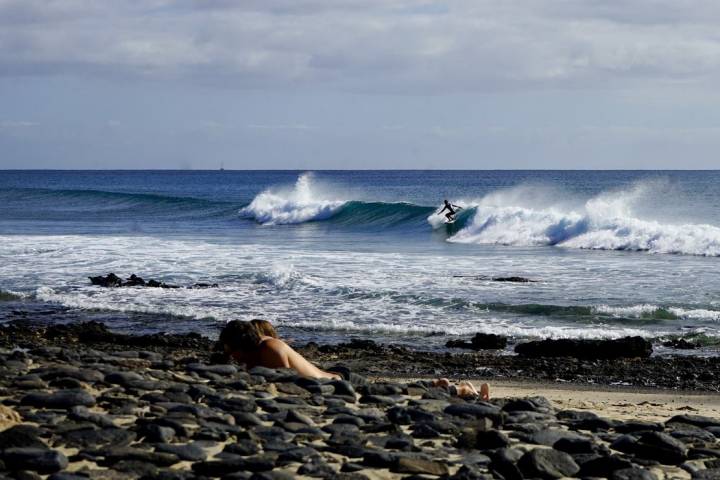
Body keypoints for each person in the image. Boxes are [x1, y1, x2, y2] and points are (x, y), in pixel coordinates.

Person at [219, 320, 490, 399]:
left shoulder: (270, 349)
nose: (230, 355)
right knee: (390, 390)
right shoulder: (258, 350)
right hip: (333, 377)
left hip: (339, 382)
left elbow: (292, 384)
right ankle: (444, 386)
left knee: (396, 392)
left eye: (232, 349)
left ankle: (460, 390)